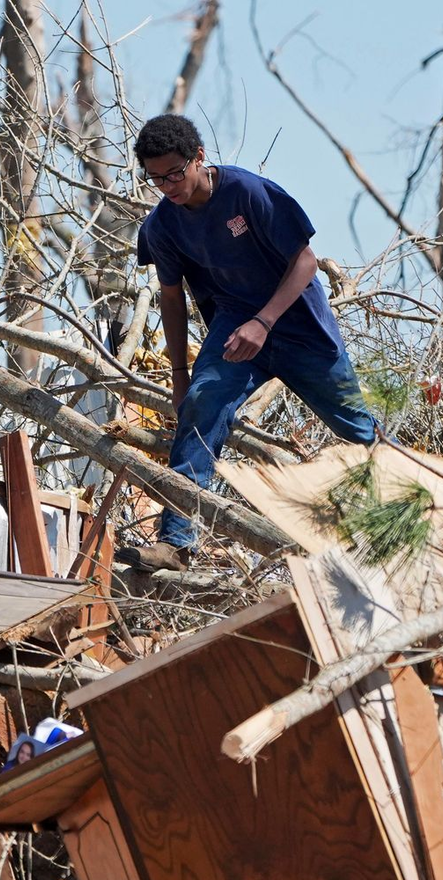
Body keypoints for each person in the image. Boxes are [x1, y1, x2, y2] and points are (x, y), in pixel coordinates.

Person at [130, 114, 377, 571]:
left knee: (358, 430)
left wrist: (265, 321)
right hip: (235, 328)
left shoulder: (247, 192)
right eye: (156, 178)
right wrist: (181, 376)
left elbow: (305, 261)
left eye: (175, 173)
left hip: (299, 325)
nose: (167, 185)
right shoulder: (162, 227)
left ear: (199, 159)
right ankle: (177, 542)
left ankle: (413, 509)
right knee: (203, 403)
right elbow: (171, 297)